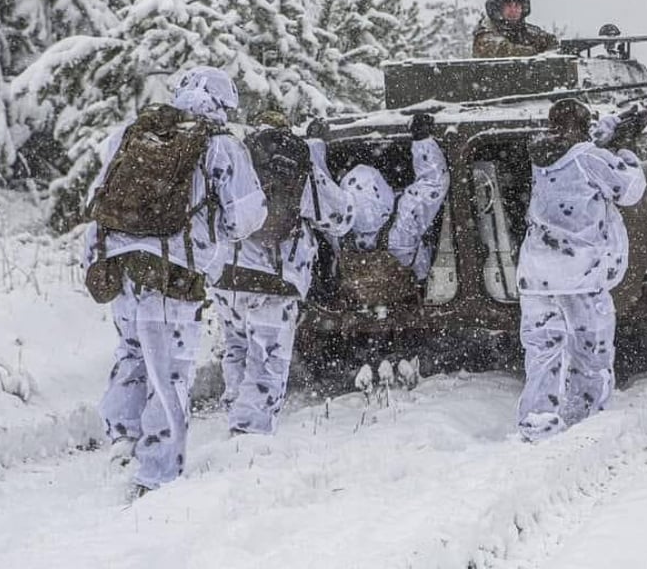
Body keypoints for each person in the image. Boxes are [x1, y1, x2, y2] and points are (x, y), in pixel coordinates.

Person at [84, 67, 266, 496]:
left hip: (121, 267)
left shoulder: (131, 134)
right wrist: (216, 231)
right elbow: (247, 215)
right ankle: (157, 474)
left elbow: (96, 198)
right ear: (223, 103)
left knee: (131, 352)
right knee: (170, 374)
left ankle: (122, 441)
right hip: (173, 274)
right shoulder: (220, 146)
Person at [210, 111, 354, 436]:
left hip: (226, 277)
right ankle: (249, 434)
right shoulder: (294, 165)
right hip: (273, 281)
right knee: (268, 359)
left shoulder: (233, 158)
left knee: (237, 348)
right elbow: (339, 217)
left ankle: (236, 413)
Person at [514, 99, 646, 441]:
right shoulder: (589, 158)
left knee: (542, 350)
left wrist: (605, 138)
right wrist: (627, 151)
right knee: (590, 349)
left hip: (536, 273)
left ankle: (539, 419)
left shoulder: (538, 155)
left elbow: (573, 158)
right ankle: (586, 420)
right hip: (580, 274)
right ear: (580, 126)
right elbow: (630, 190)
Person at [338, 113, 450, 290]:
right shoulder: (403, 221)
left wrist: (314, 145)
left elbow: (318, 197)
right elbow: (434, 182)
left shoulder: (341, 232)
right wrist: (422, 140)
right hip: (413, 294)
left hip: (361, 306)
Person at [472, 0, 559, 58]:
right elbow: (503, 51)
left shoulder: (526, 31)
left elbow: (551, 42)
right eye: (509, 6)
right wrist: (535, 52)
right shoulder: (485, 33)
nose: (513, 10)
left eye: (517, 5)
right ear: (498, 8)